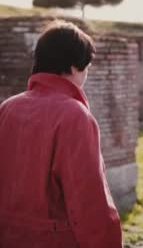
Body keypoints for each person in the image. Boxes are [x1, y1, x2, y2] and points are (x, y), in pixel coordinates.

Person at [0, 21, 122, 247]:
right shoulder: (75, 116)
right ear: (75, 67)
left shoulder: (7, 108)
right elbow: (89, 202)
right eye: (87, 67)